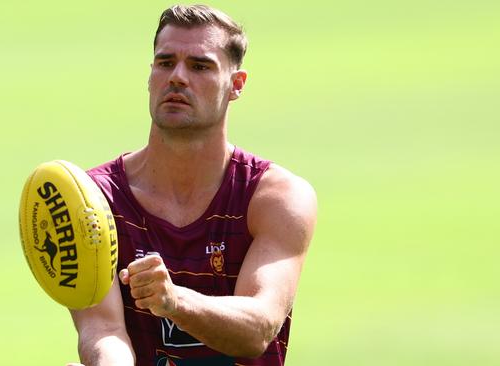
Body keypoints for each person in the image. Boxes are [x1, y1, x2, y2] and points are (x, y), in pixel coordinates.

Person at [68, 4, 317, 366]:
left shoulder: (274, 197)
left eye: (200, 66)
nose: (178, 77)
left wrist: (174, 301)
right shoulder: (92, 199)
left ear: (236, 85)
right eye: (165, 62)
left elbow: (258, 329)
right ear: (150, 74)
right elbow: (103, 332)